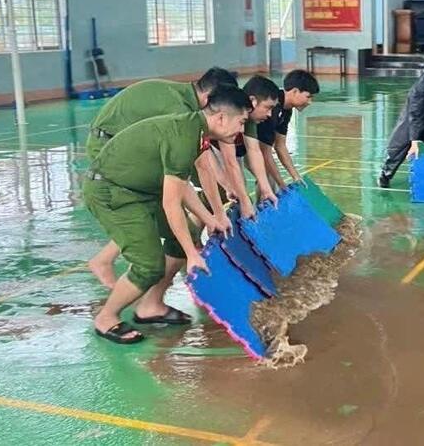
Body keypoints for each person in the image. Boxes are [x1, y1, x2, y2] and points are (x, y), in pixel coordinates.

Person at [83, 85, 253, 345]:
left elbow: (182, 186)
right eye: (241, 122)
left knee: (185, 237)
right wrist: (192, 254)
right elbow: (171, 203)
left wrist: (210, 219)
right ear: (221, 118)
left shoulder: (196, 130)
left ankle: (150, 306)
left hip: (141, 190)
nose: (241, 130)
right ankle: (106, 318)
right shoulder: (185, 136)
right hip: (114, 193)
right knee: (149, 265)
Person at [86, 68, 237, 289]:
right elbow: (202, 165)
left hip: (128, 144)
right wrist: (218, 213)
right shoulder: (181, 111)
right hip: (109, 147)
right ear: (209, 99)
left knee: (165, 205)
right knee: (152, 206)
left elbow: (201, 163)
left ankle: (177, 258)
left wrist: (217, 203)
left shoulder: (184, 98)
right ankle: (108, 261)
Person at [208, 75, 281, 218]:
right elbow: (229, 161)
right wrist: (237, 194)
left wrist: (265, 188)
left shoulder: (249, 119)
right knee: (225, 197)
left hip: (223, 151)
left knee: (239, 192)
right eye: (268, 107)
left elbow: (254, 151)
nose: (269, 114)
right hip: (212, 149)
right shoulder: (232, 115)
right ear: (253, 101)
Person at [247, 69, 320, 190]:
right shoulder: (272, 107)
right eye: (308, 97)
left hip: (252, 145)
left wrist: (295, 176)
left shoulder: (286, 110)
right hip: (242, 144)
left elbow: (280, 145)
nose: (310, 102)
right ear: (295, 91)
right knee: (267, 178)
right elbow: (265, 151)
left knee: (268, 178)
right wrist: (282, 185)